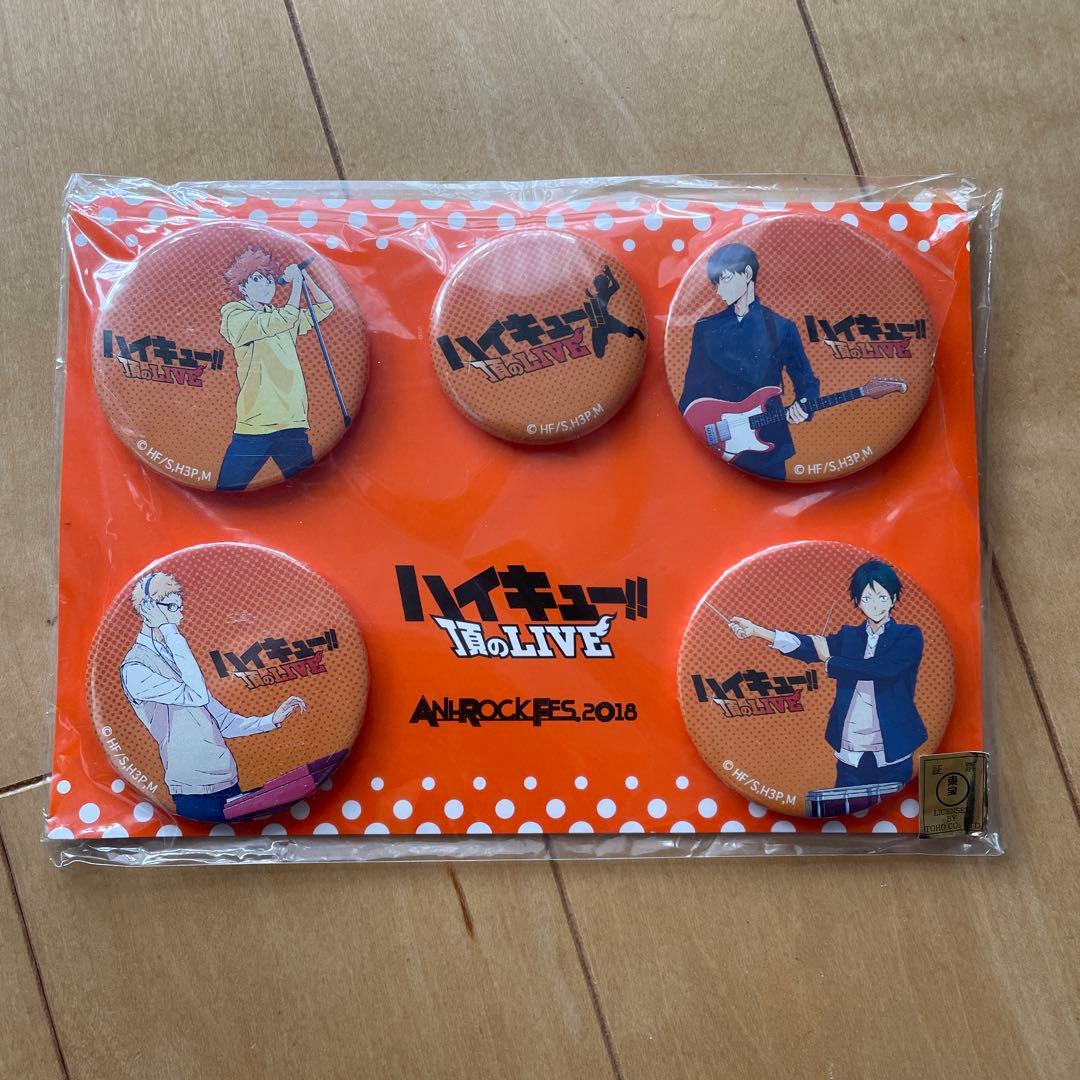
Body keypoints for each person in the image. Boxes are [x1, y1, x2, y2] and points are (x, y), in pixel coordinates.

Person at [119, 571, 306, 822]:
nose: (180, 616)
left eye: (180, 608)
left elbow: (223, 721)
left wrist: (271, 719)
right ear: (148, 608)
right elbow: (196, 695)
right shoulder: (135, 667)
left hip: (227, 780)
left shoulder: (177, 658)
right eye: (172, 607)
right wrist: (170, 630)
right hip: (192, 789)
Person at [728, 559, 927, 790]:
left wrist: (831, 661)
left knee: (892, 802)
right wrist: (757, 631)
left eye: (882, 597)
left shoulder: (909, 635)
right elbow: (808, 645)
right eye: (867, 598)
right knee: (842, 804)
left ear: (893, 599)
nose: (875, 605)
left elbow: (882, 669)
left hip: (894, 748)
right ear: (857, 602)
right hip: (850, 749)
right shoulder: (849, 636)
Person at [679, 242, 819, 480]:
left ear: (746, 274)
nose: (719, 290)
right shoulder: (705, 328)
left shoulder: (781, 326)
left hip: (768, 440)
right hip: (714, 438)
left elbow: (805, 379)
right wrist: (690, 431)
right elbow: (692, 388)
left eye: (725, 279)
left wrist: (804, 406)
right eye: (716, 283)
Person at [217, 246, 335, 491]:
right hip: (255, 425)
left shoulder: (281, 315)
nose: (266, 285)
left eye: (270, 279)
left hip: (291, 422)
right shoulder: (235, 315)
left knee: (310, 494)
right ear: (242, 287)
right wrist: (295, 286)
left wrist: (304, 278)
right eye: (257, 279)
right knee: (226, 490)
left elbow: (325, 307)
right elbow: (278, 321)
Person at [584, 265, 644, 358]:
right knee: (599, 353)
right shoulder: (597, 295)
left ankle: (634, 330)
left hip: (608, 321)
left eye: (600, 283)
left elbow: (616, 286)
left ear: (604, 284)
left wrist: (609, 274)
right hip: (598, 324)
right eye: (597, 283)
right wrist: (590, 296)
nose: (598, 285)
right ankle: (602, 347)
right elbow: (596, 305)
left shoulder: (606, 292)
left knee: (627, 332)